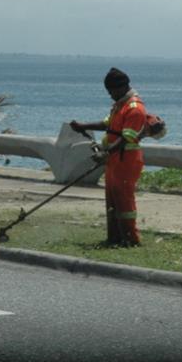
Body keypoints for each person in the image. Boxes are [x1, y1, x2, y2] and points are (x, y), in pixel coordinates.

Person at [70, 68, 147, 246]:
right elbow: (107, 124)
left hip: (126, 160)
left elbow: (125, 138)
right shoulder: (119, 106)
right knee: (112, 199)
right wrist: (83, 126)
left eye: (111, 91)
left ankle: (130, 238)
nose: (110, 95)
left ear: (122, 87)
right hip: (115, 160)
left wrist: (106, 152)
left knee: (124, 200)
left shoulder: (135, 109)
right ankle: (114, 237)